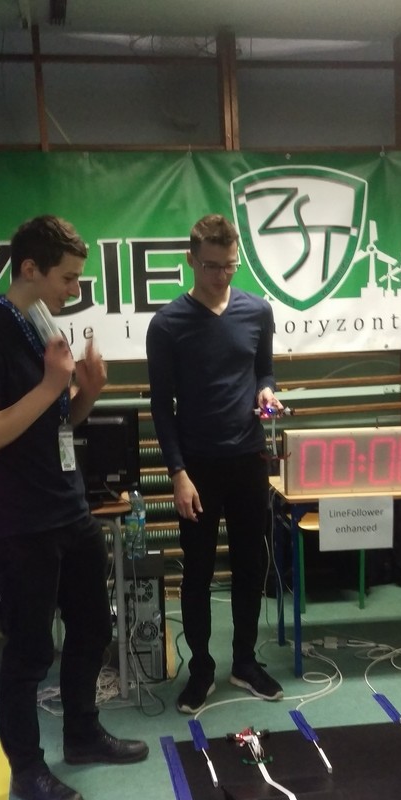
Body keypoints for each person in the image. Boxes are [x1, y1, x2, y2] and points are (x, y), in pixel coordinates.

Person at [0, 215, 148, 800]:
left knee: (93, 629)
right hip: (18, 523)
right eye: (67, 278)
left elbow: (58, 424)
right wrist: (49, 385)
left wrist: (86, 391)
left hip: (68, 508)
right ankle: (28, 769)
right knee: (30, 650)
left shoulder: (43, 328)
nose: (74, 289)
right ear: (30, 269)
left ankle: (82, 734)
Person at [146, 213, 284, 713]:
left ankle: (244, 662)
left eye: (229, 266)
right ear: (191, 260)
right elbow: (161, 406)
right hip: (197, 468)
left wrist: (267, 392)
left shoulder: (257, 311)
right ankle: (201, 669)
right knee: (199, 572)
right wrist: (177, 473)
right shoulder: (167, 325)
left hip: (249, 458)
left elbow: (264, 370)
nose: (221, 276)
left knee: (251, 566)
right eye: (211, 266)